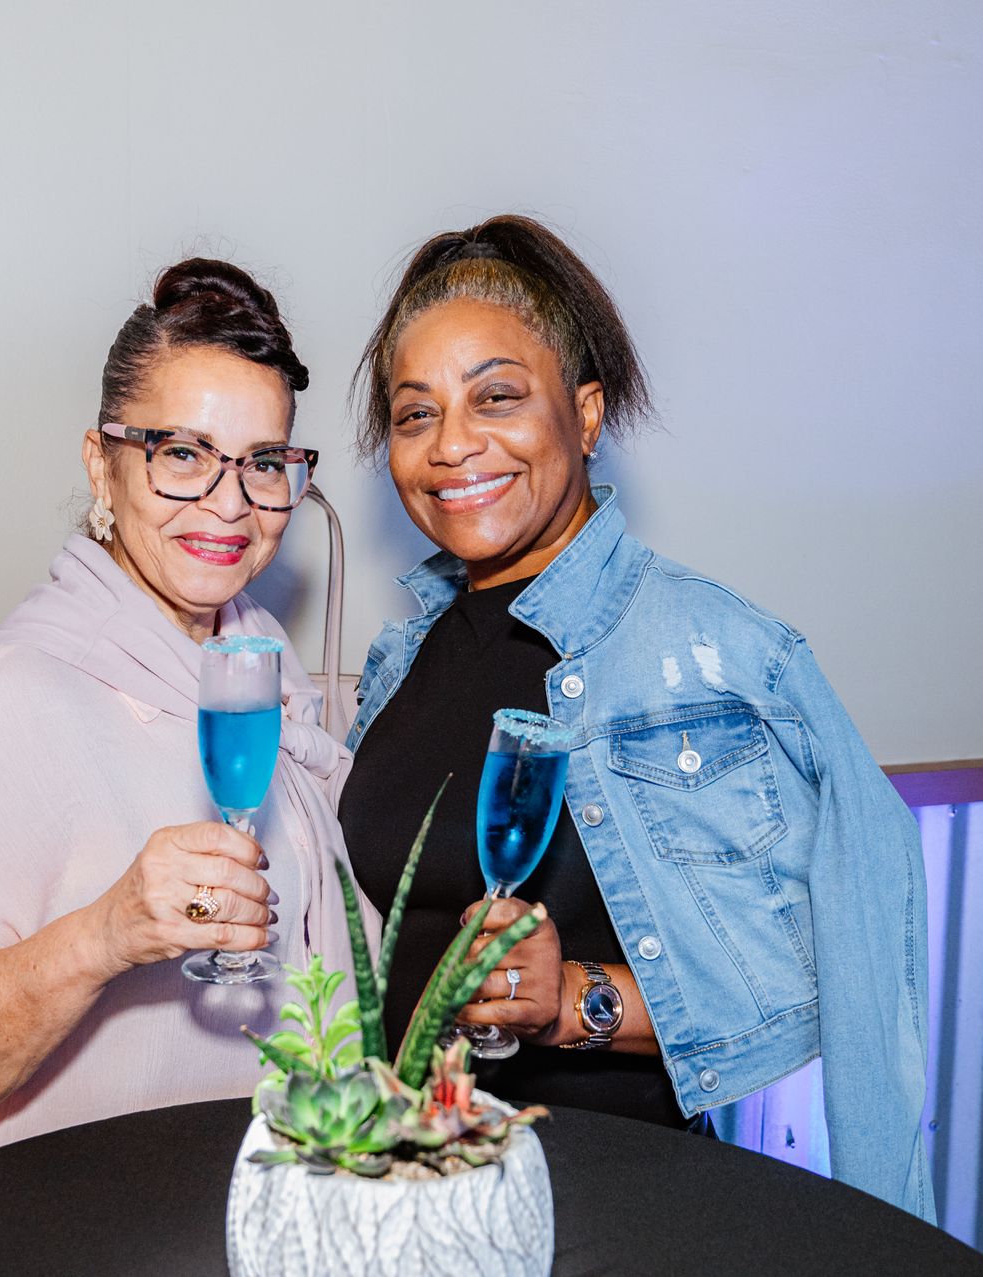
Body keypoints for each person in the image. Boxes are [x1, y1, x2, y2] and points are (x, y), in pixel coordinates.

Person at [337, 216, 935, 1220]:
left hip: (613, 1204)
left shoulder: (714, 648)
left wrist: (576, 998)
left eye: (497, 397)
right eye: (414, 414)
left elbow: (844, 969)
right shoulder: (405, 658)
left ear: (585, 412)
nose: (453, 445)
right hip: (414, 1202)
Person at [0, 259, 361, 1187]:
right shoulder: (7, 697)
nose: (231, 503)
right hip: (55, 1233)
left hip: (244, 1224)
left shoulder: (260, 683)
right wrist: (108, 932)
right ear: (102, 464)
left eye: (264, 462)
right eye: (184, 453)